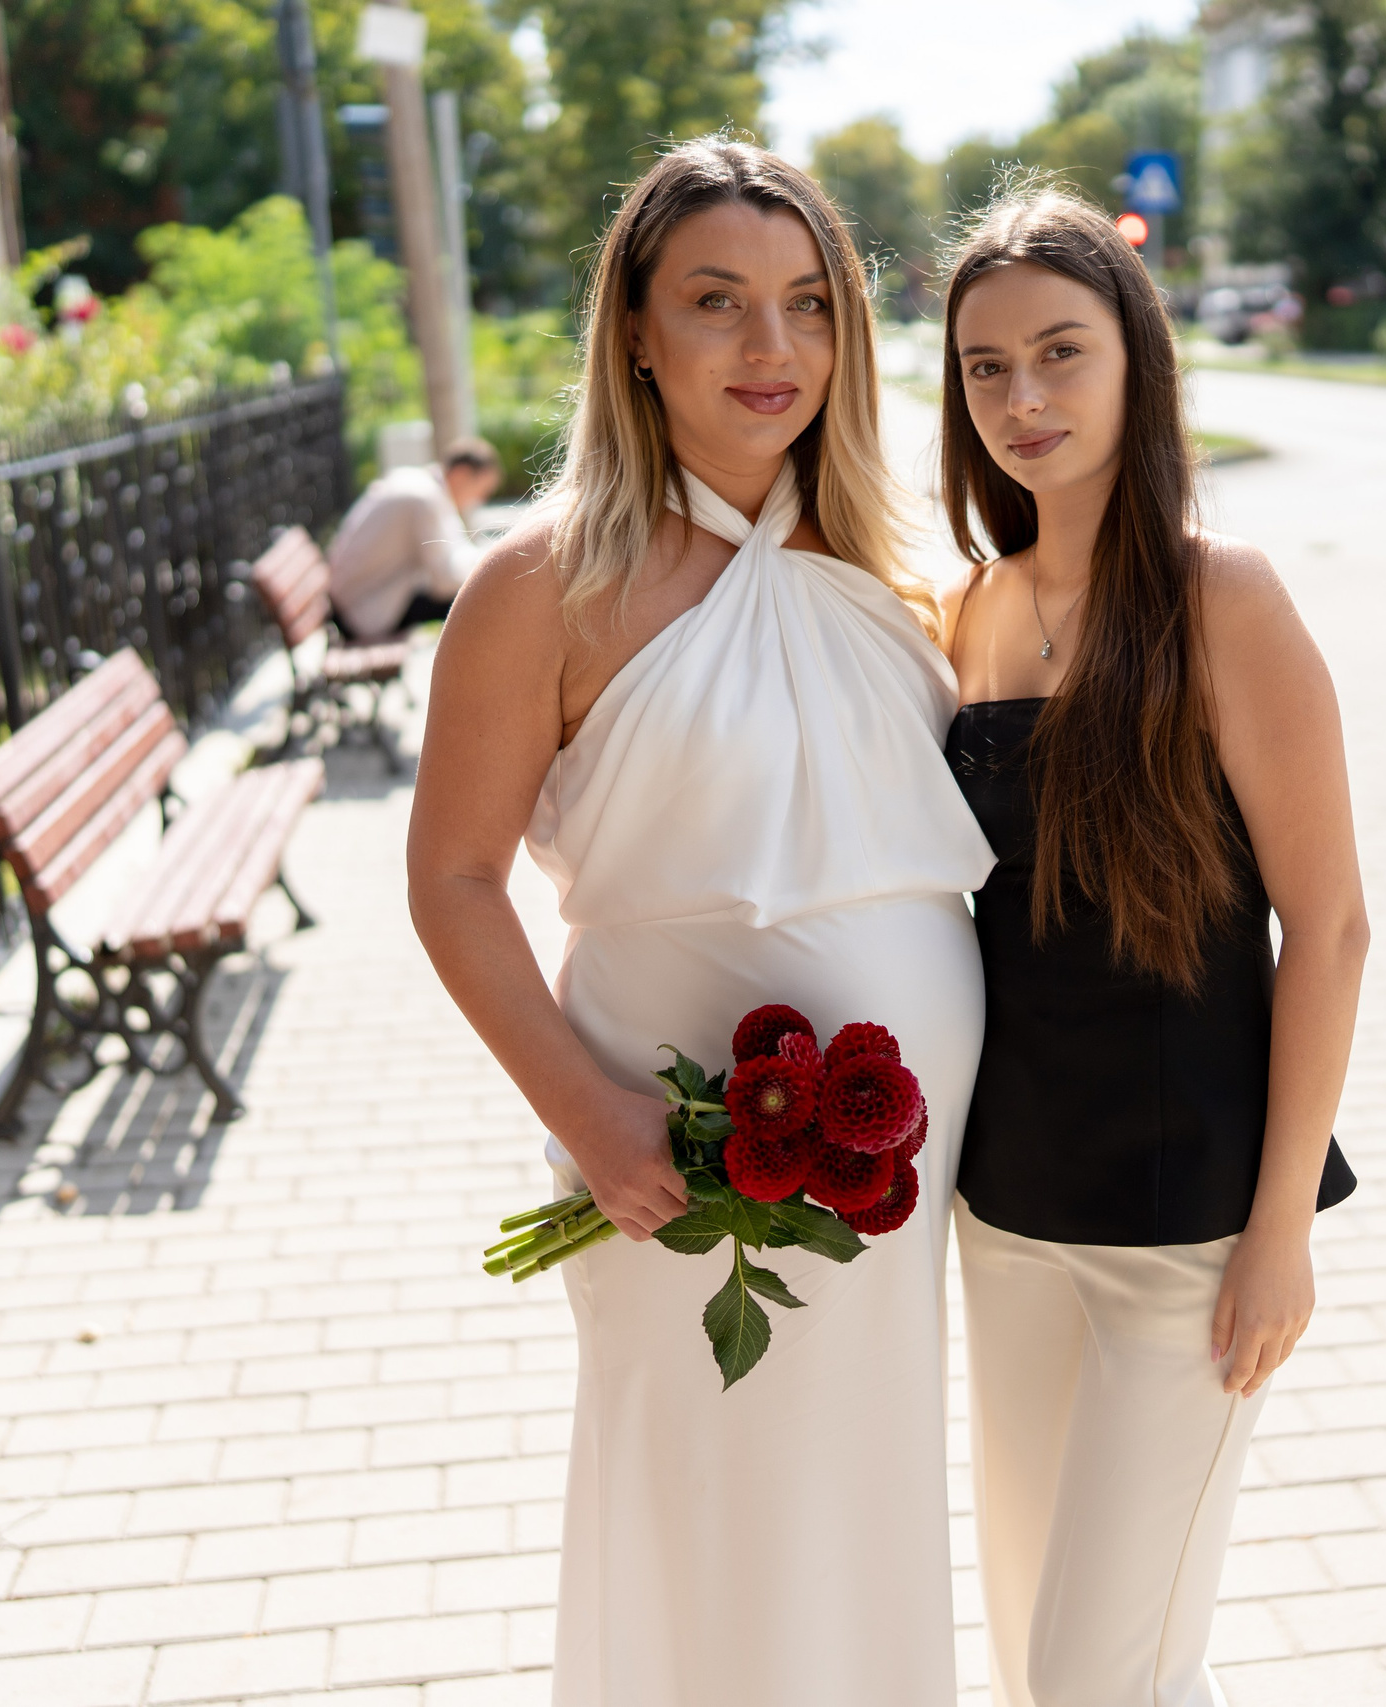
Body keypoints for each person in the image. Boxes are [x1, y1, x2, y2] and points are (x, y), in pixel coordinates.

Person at [404, 140, 991, 1707]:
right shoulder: (540, 585)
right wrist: (588, 1112)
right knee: (701, 1496)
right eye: (718, 302)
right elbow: (452, 879)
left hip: (906, 1161)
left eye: (809, 305)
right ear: (638, 333)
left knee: (865, 1496)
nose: (770, 347)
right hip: (664, 1155)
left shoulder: (893, 562)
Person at [936, 190, 1365, 1707]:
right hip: (1008, 1213)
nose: (1025, 398)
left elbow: (1330, 925)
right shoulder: (969, 610)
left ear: (1138, 361)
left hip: (1188, 1234)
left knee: (1099, 1674)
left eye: (1061, 352)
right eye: (987, 367)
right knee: (1029, 1645)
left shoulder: (1218, 597)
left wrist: (1281, 1231)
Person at [327, 437, 503, 639]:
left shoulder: (422, 485)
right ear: (462, 475)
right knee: (479, 598)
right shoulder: (424, 499)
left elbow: (454, 554)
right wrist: (491, 568)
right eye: (483, 490)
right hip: (362, 613)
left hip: (354, 603)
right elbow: (444, 581)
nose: (480, 500)